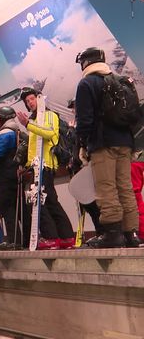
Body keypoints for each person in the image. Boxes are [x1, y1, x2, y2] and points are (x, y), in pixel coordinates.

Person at [74, 47, 140, 248]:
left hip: (103, 144)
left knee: (106, 188)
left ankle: (112, 234)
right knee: (125, 188)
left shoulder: (87, 83)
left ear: (85, 63)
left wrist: (83, 145)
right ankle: (130, 234)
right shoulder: (120, 81)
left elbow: (85, 121)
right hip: (125, 143)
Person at [17, 87, 74, 250]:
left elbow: (50, 134)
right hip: (38, 165)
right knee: (50, 201)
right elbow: (34, 147)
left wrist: (28, 125)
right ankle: (66, 236)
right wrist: (27, 167)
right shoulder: (34, 119)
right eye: (27, 101)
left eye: (32, 99)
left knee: (40, 201)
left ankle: (51, 237)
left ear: (39, 98)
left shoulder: (50, 115)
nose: (30, 103)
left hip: (46, 164)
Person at [67, 98, 103, 246]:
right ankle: (101, 232)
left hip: (89, 164)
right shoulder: (77, 123)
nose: (74, 110)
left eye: (75, 106)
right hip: (80, 165)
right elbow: (74, 145)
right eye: (73, 108)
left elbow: (84, 140)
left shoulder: (87, 120)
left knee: (95, 203)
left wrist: (73, 130)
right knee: (88, 203)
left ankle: (103, 232)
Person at [0, 106, 22, 249]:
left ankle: (13, 241)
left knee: (7, 208)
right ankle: (22, 239)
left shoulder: (5, 132)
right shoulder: (17, 129)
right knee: (19, 209)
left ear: (3, 117)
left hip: (6, 175)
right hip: (16, 173)